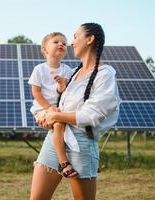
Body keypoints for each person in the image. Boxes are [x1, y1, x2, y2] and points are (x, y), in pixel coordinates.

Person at [30, 23, 121, 200]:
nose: (71, 43)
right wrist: (47, 118)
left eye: (75, 37)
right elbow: (58, 104)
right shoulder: (72, 73)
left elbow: (91, 114)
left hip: (81, 143)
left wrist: (55, 115)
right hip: (55, 138)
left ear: (90, 39)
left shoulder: (105, 74)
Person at [28, 32, 78, 178]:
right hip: (41, 109)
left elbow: (63, 92)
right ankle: (63, 163)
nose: (61, 44)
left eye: (64, 43)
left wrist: (62, 84)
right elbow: (36, 93)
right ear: (45, 50)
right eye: (56, 42)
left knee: (67, 125)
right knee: (58, 124)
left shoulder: (67, 70)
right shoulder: (39, 69)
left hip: (58, 108)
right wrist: (49, 109)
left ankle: (76, 159)